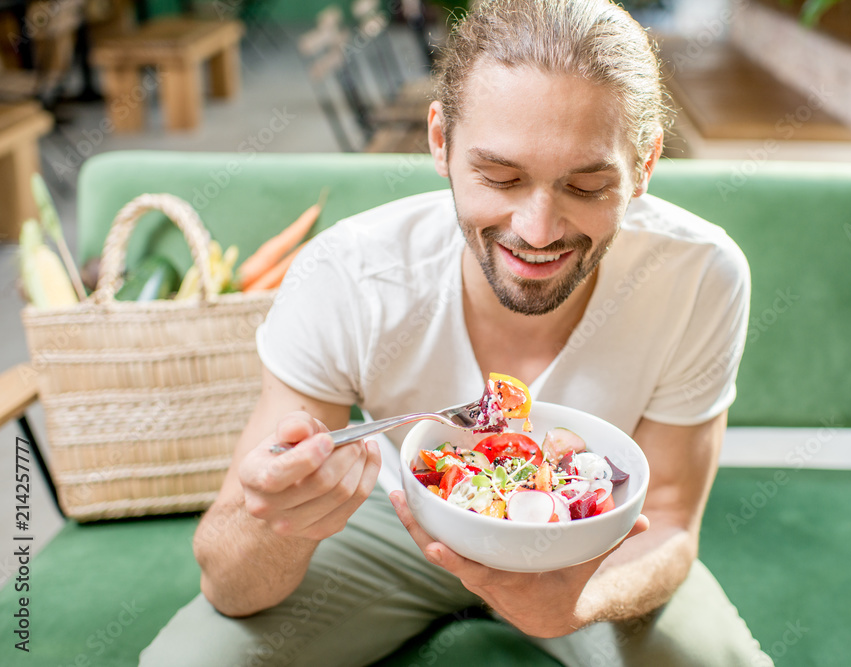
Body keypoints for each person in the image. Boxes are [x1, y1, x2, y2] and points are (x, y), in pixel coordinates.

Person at [140, 0, 772, 665]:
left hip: (590, 539)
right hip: (398, 512)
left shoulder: (701, 274)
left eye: (586, 186)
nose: (536, 229)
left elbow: (668, 520)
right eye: (500, 177)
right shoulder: (348, 276)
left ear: (645, 163)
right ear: (440, 142)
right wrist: (280, 518)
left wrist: (578, 601)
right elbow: (228, 582)